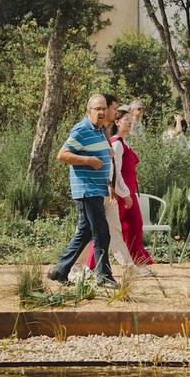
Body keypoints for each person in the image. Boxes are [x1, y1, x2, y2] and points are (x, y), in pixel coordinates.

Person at [50, 93, 117, 287]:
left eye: (104, 108)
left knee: (86, 231)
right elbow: (62, 155)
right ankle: (104, 277)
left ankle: (60, 270)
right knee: (101, 232)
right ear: (88, 111)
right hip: (87, 190)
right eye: (98, 109)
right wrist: (87, 160)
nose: (102, 112)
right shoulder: (81, 129)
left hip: (98, 189)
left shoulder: (99, 130)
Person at [85, 104, 154, 277]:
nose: (130, 123)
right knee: (107, 229)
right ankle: (90, 266)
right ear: (117, 122)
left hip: (128, 192)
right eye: (126, 120)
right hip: (120, 193)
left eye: (131, 120)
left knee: (134, 226)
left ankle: (137, 262)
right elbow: (114, 169)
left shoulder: (124, 143)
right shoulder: (116, 144)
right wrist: (122, 192)